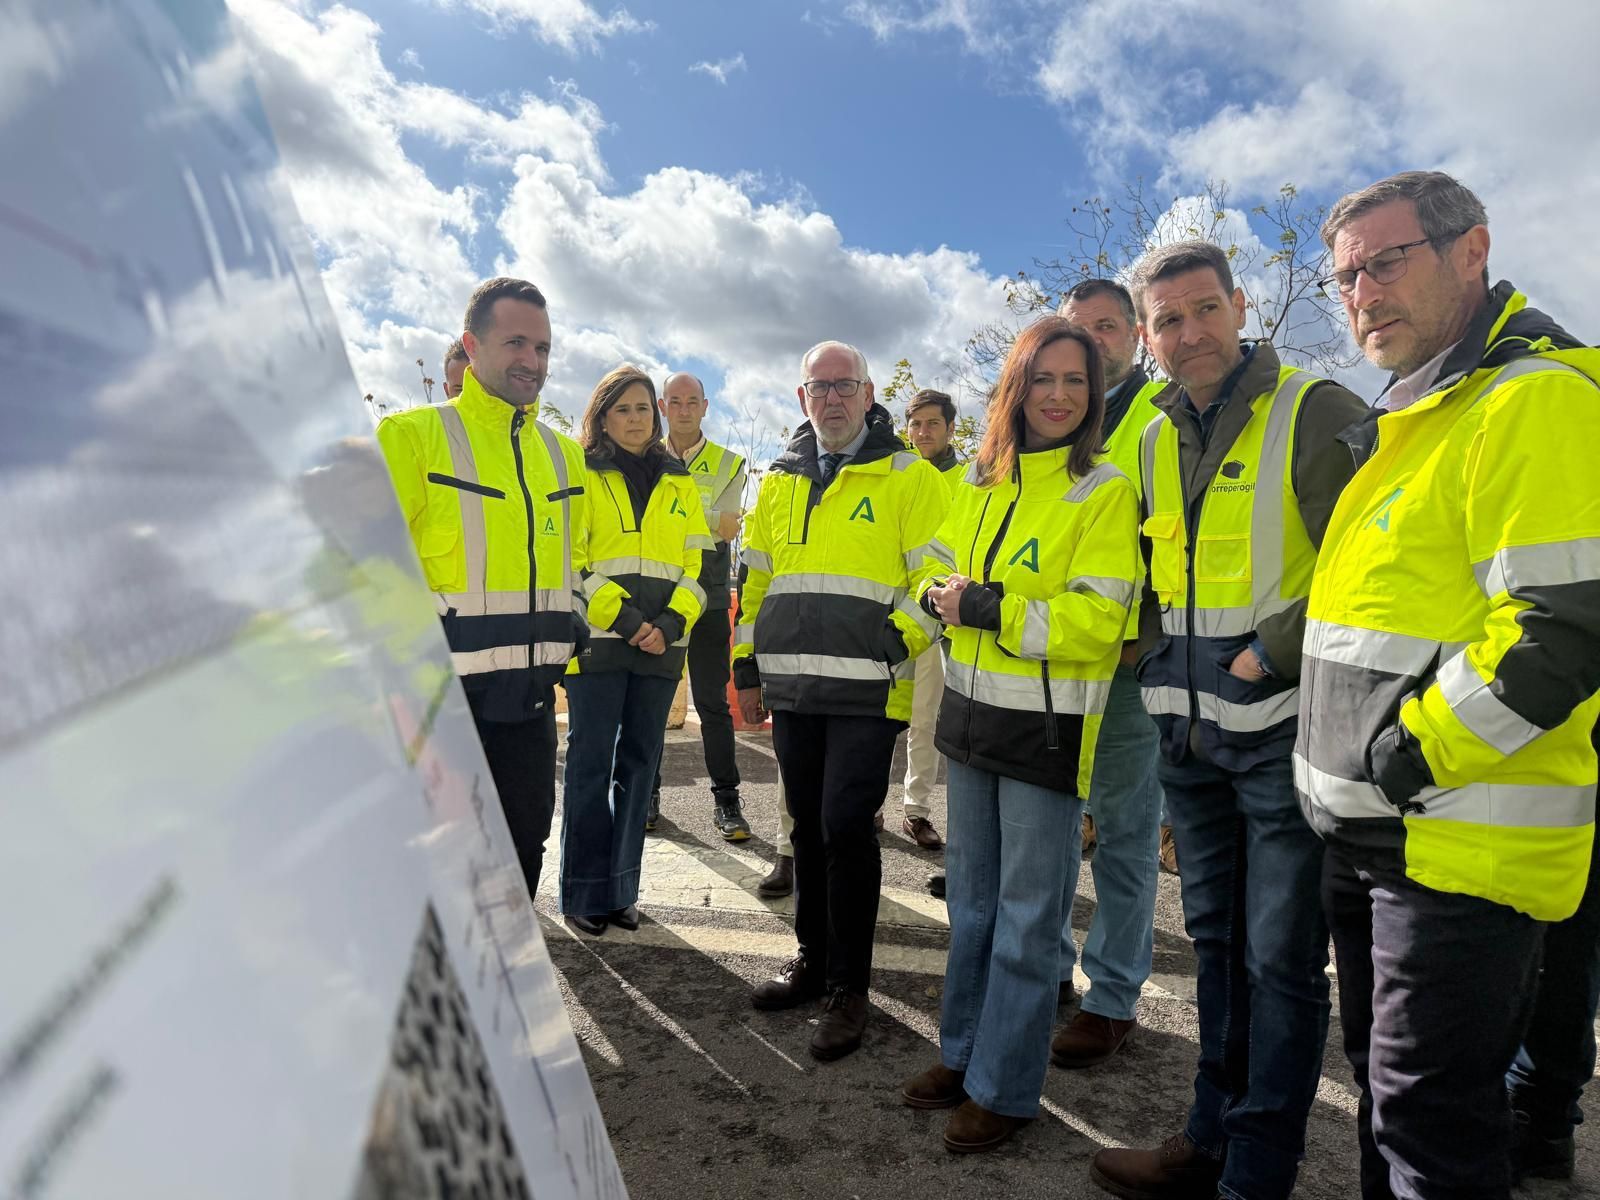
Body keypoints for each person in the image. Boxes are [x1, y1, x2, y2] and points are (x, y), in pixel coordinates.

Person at [1297, 170, 1600, 1200]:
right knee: (1395, 1106)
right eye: (1345, 276)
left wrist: (1405, 755)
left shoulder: (1534, 399)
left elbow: (1559, 631)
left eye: (1386, 261)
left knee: (1433, 1131)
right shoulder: (1421, 412)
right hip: (1379, 832)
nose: (1361, 294)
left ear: (1470, 252)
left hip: (1451, 841)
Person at [1089, 242, 1368, 1200]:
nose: (1188, 332)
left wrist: (1272, 649)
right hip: (1188, 741)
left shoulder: (1314, 408)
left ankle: (1256, 1170)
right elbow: (1147, 567)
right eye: (1167, 319)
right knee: (1215, 949)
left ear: (1241, 306)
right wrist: (1155, 652)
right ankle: (1207, 1140)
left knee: (1281, 966)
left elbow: (1365, 562)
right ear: (1147, 335)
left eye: (1204, 309)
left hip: (1282, 738)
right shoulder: (1153, 436)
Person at [898, 317, 1138, 1154]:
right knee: (971, 909)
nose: (1062, 396)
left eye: (1079, 381)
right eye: (1047, 379)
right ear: (1018, 387)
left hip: (1044, 737)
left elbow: (1102, 618)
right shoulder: (976, 479)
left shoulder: (1101, 490)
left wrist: (988, 606)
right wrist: (937, 593)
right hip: (967, 725)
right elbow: (928, 565)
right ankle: (962, 1057)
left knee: (1030, 920)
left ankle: (1005, 1088)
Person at [733, 340, 946, 1060]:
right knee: (805, 834)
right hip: (793, 689)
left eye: (843, 385)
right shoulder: (779, 482)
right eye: (818, 387)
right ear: (802, 399)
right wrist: (746, 665)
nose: (831, 398)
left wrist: (891, 647)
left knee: (845, 828)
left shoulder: (909, 477)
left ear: (867, 392)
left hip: (867, 691)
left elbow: (936, 581)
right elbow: (754, 583)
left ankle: (850, 989)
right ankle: (811, 962)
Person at [377, 277, 588, 901]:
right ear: (471, 345)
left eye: (544, 348)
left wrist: (570, 621)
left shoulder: (563, 457)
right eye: (515, 342)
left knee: (523, 850)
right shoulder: (412, 437)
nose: (532, 360)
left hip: (529, 705)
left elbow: (576, 560)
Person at [1050, 278, 1169, 1061]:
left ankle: (1116, 994)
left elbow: (1178, 537)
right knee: (1052, 827)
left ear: (1136, 335)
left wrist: (1145, 633)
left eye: (1105, 327)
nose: (1091, 343)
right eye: (1076, 331)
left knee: (1125, 834)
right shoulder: (1047, 422)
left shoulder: (1163, 421)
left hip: (1126, 664)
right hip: (1052, 660)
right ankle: (1046, 968)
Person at [559, 366, 712, 936]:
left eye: (643, 408)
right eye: (621, 409)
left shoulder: (680, 483)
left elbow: (700, 567)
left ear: (658, 414)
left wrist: (670, 624)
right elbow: (571, 563)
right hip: (598, 645)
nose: (634, 419)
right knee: (591, 765)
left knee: (640, 768)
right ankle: (582, 892)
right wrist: (626, 620)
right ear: (600, 416)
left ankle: (621, 889)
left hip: (660, 649)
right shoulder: (581, 473)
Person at [648, 371, 752, 841]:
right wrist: (701, 521)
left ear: (705, 407)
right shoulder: (642, 457)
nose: (684, 408)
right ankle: (646, 797)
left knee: (712, 704)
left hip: (707, 600)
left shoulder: (730, 462)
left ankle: (727, 801)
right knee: (650, 704)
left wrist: (670, 517)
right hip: (656, 599)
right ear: (661, 406)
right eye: (675, 400)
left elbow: (728, 528)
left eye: (693, 401)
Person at [899, 388, 960, 851]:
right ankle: (869, 805)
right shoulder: (896, 475)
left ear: (950, 428)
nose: (923, 432)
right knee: (879, 715)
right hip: (894, 612)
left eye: (932, 424)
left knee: (926, 719)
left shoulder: (971, 481)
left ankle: (915, 811)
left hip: (944, 618)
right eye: (916, 424)